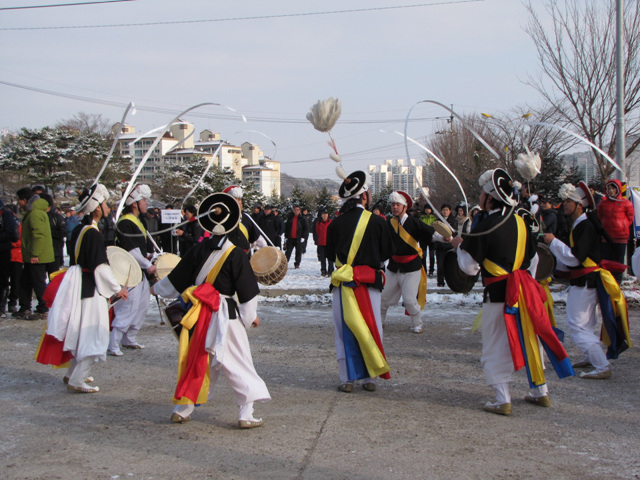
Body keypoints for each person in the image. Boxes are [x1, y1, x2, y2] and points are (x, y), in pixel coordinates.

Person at [452, 169, 574, 416]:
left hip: (499, 294)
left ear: (489, 197)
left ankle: (502, 398)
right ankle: (541, 392)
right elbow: (533, 260)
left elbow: (470, 266)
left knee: (495, 345)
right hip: (524, 290)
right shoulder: (522, 222)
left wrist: (459, 247)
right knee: (532, 338)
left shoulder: (486, 226)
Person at [151, 192, 270, 427]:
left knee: (199, 362)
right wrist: (249, 318)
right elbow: (247, 293)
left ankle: (182, 409)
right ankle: (245, 414)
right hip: (226, 315)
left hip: (198, 315)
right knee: (239, 362)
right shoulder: (236, 254)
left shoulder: (197, 250)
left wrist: (156, 289)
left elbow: (175, 281)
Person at [36, 184, 128, 393]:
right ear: (97, 208)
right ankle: (77, 378)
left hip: (78, 283)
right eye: (104, 204)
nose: (107, 207)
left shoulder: (79, 229)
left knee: (80, 330)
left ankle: (73, 373)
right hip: (89, 286)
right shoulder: (93, 234)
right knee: (95, 332)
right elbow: (100, 266)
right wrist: (116, 288)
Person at [543, 182, 631, 380]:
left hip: (585, 282)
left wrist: (554, 242)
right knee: (587, 323)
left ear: (579, 205)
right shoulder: (582, 224)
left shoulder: (585, 226)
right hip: (587, 280)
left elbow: (575, 258)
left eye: (568, 201)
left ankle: (601, 364)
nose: (564, 204)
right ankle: (591, 357)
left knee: (576, 326)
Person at [325, 170, 393, 393]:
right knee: (371, 327)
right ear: (364, 196)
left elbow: (329, 255)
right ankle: (370, 377)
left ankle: (346, 379)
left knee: (344, 330)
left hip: (343, 285)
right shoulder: (378, 222)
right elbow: (386, 253)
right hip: (369, 284)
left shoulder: (335, 224)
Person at [109, 184, 156, 356]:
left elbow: (142, 245)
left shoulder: (138, 221)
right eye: (144, 200)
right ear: (135, 203)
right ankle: (113, 342)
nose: (146, 203)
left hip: (140, 270)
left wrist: (150, 254)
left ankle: (129, 337)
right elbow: (131, 250)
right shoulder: (125, 222)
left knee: (142, 305)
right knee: (128, 306)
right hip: (129, 271)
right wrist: (147, 265)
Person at [380, 191, 434, 334]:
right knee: (383, 297)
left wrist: (446, 238)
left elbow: (431, 233)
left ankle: (418, 323)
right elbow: (383, 242)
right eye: (393, 204)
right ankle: (380, 322)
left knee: (409, 299)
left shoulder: (414, 222)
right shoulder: (389, 223)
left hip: (411, 268)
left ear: (405, 206)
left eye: (397, 204)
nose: (395, 207)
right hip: (393, 267)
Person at [15, 187, 54, 320]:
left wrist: (35, 254)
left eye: (19, 200)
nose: (18, 203)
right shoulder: (33, 212)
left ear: (24, 200)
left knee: (38, 283)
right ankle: (25, 307)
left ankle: (43, 308)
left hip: (37, 255)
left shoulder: (34, 213)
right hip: (32, 254)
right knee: (25, 282)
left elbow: (38, 235)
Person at [597, 179, 634, 283]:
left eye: (613, 188)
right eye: (609, 188)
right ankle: (607, 280)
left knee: (618, 260)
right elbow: (600, 216)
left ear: (618, 189)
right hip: (606, 236)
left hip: (621, 237)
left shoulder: (626, 203)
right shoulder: (603, 203)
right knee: (606, 260)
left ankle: (618, 281)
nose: (611, 190)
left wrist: (623, 225)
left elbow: (630, 217)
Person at [223, 186, 266, 254]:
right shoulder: (222, 219)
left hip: (244, 258)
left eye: (239, 199)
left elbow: (256, 239)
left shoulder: (246, 218)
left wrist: (266, 251)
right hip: (226, 258)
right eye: (234, 199)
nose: (238, 202)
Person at [0, 199, 19, 318]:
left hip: (3, 251)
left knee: (2, 280)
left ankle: (2, 306)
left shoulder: (6, 215)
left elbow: (12, 233)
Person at [39, 193, 67, 274]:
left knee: (53, 277)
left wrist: (48, 231)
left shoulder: (56, 217)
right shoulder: (38, 216)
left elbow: (63, 232)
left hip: (54, 252)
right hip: (41, 253)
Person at [434, 203, 456, 287]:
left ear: (450, 211)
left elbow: (455, 232)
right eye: (443, 210)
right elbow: (435, 232)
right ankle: (440, 282)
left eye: (447, 210)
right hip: (440, 246)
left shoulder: (453, 221)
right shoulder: (438, 220)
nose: (445, 211)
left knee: (451, 265)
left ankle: (452, 282)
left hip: (450, 246)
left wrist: (449, 238)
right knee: (440, 265)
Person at [312, 208, 333, 276]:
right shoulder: (318, 223)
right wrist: (316, 240)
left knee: (330, 259)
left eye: (326, 214)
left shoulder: (331, 222)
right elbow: (316, 232)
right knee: (322, 258)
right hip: (321, 243)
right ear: (321, 215)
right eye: (323, 214)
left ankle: (330, 271)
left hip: (329, 243)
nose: (324, 216)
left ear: (328, 215)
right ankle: (323, 270)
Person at [419, 205, 437, 276]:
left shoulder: (434, 218)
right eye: (426, 209)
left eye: (429, 209)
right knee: (423, 255)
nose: (427, 210)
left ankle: (431, 270)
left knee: (432, 255)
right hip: (423, 238)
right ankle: (424, 270)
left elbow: (436, 227)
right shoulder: (421, 218)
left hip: (432, 238)